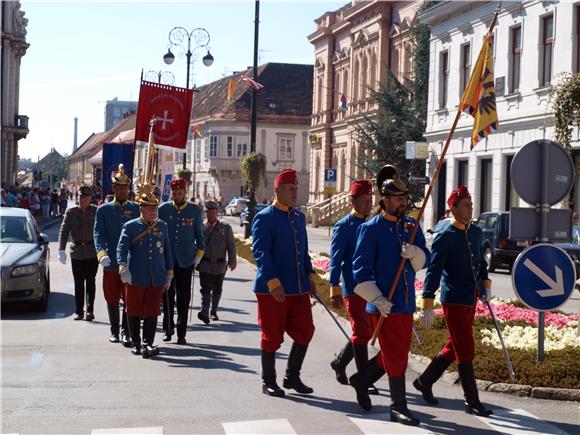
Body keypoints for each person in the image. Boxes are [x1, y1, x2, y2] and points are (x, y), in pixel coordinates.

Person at [349, 169, 429, 426]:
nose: (403, 203)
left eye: (404, 198)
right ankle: (398, 406)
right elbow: (359, 273)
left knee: (398, 353)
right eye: (397, 199)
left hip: (405, 302)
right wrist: (378, 299)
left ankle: (361, 379)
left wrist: (415, 252)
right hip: (383, 305)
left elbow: (424, 260)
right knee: (396, 357)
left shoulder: (410, 226)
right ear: (384, 199)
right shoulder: (370, 229)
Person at [415, 185, 493, 417]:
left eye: (471, 204)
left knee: (454, 346)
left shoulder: (477, 233)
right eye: (466, 205)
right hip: (454, 300)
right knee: (466, 348)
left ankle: (424, 381)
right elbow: (434, 271)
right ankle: (472, 400)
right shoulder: (444, 236)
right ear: (454, 209)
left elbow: (481, 264)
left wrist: (486, 284)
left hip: (471, 298)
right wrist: (427, 303)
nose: (470, 208)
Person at [252, 168, 317, 398]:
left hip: (297, 287)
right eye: (290, 188)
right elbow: (260, 252)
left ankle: (292, 376)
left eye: (296, 188)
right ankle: (268, 380)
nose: (294, 192)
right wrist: (273, 282)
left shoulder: (298, 217)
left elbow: (303, 253)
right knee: (272, 336)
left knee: (306, 331)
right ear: (277, 190)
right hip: (273, 290)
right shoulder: (265, 217)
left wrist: (310, 277)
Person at [329, 179, 380, 395]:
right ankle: (364, 378)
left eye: (370, 200)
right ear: (353, 201)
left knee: (365, 332)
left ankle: (340, 363)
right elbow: (336, 259)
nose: (368, 205)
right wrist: (335, 287)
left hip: (371, 287)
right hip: (353, 286)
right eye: (364, 201)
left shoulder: (373, 225)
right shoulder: (344, 226)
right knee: (361, 331)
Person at [117, 184, 173, 358]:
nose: (153, 212)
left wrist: (169, 273)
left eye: (155, 208)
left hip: (156, 276)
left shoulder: (162, 226)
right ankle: (136, 342)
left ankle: (147, 342)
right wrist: (123, 267)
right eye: (150, 209)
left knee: (152, 310)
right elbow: (121, 248)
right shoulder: (130, 226)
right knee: (133, 310)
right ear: (141, 209)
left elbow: (167, 249)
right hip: (136, 276)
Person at [94, 164, 140, 346]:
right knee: (112, 297)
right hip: (111, 261)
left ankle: (126, 331)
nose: (122, 191)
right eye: (119, 188)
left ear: (129, 189)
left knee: (130, 298)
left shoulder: (137, 209)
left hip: (131, 262)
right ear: (113, 189)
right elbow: (98, 234)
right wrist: (101, 253)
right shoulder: (103, 210)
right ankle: (114, 330)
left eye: (125, 188)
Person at [158, 178, 205, 344]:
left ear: (185, 192)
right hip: (167, 261)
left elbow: (200, 237)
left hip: (186, 261)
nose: (177, 196)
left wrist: (197, 258)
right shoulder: (163, 209)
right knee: (167, 295)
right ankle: (168, 328)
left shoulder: (194, 211)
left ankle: (181, 332)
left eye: (180, 193)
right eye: (174, 193)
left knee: (184, 297)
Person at [58, 186, 98, 320]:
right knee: (79, 282)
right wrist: (61, 249)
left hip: (92, 251)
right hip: (77, 252)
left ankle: (90, 310)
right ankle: (79, 311)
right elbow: (64, 231)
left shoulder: (96, 211)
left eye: (85, 197)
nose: (82, 199)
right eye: (80, 196)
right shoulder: (71, 212)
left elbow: (102, 232)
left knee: (91, 282)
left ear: (90, 198)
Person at [197, 200, 237, 323]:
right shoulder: (201, 227)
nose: (209, 214)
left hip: (220, 265)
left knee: (217, 289)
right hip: (205, 264)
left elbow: (231, 245)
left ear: (216, 212)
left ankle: (213, 311)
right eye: (207, 212)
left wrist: (232, 260)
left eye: (212, 211)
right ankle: (204, 311)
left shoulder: (225, 227)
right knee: (205, 289)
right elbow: (196, 244)